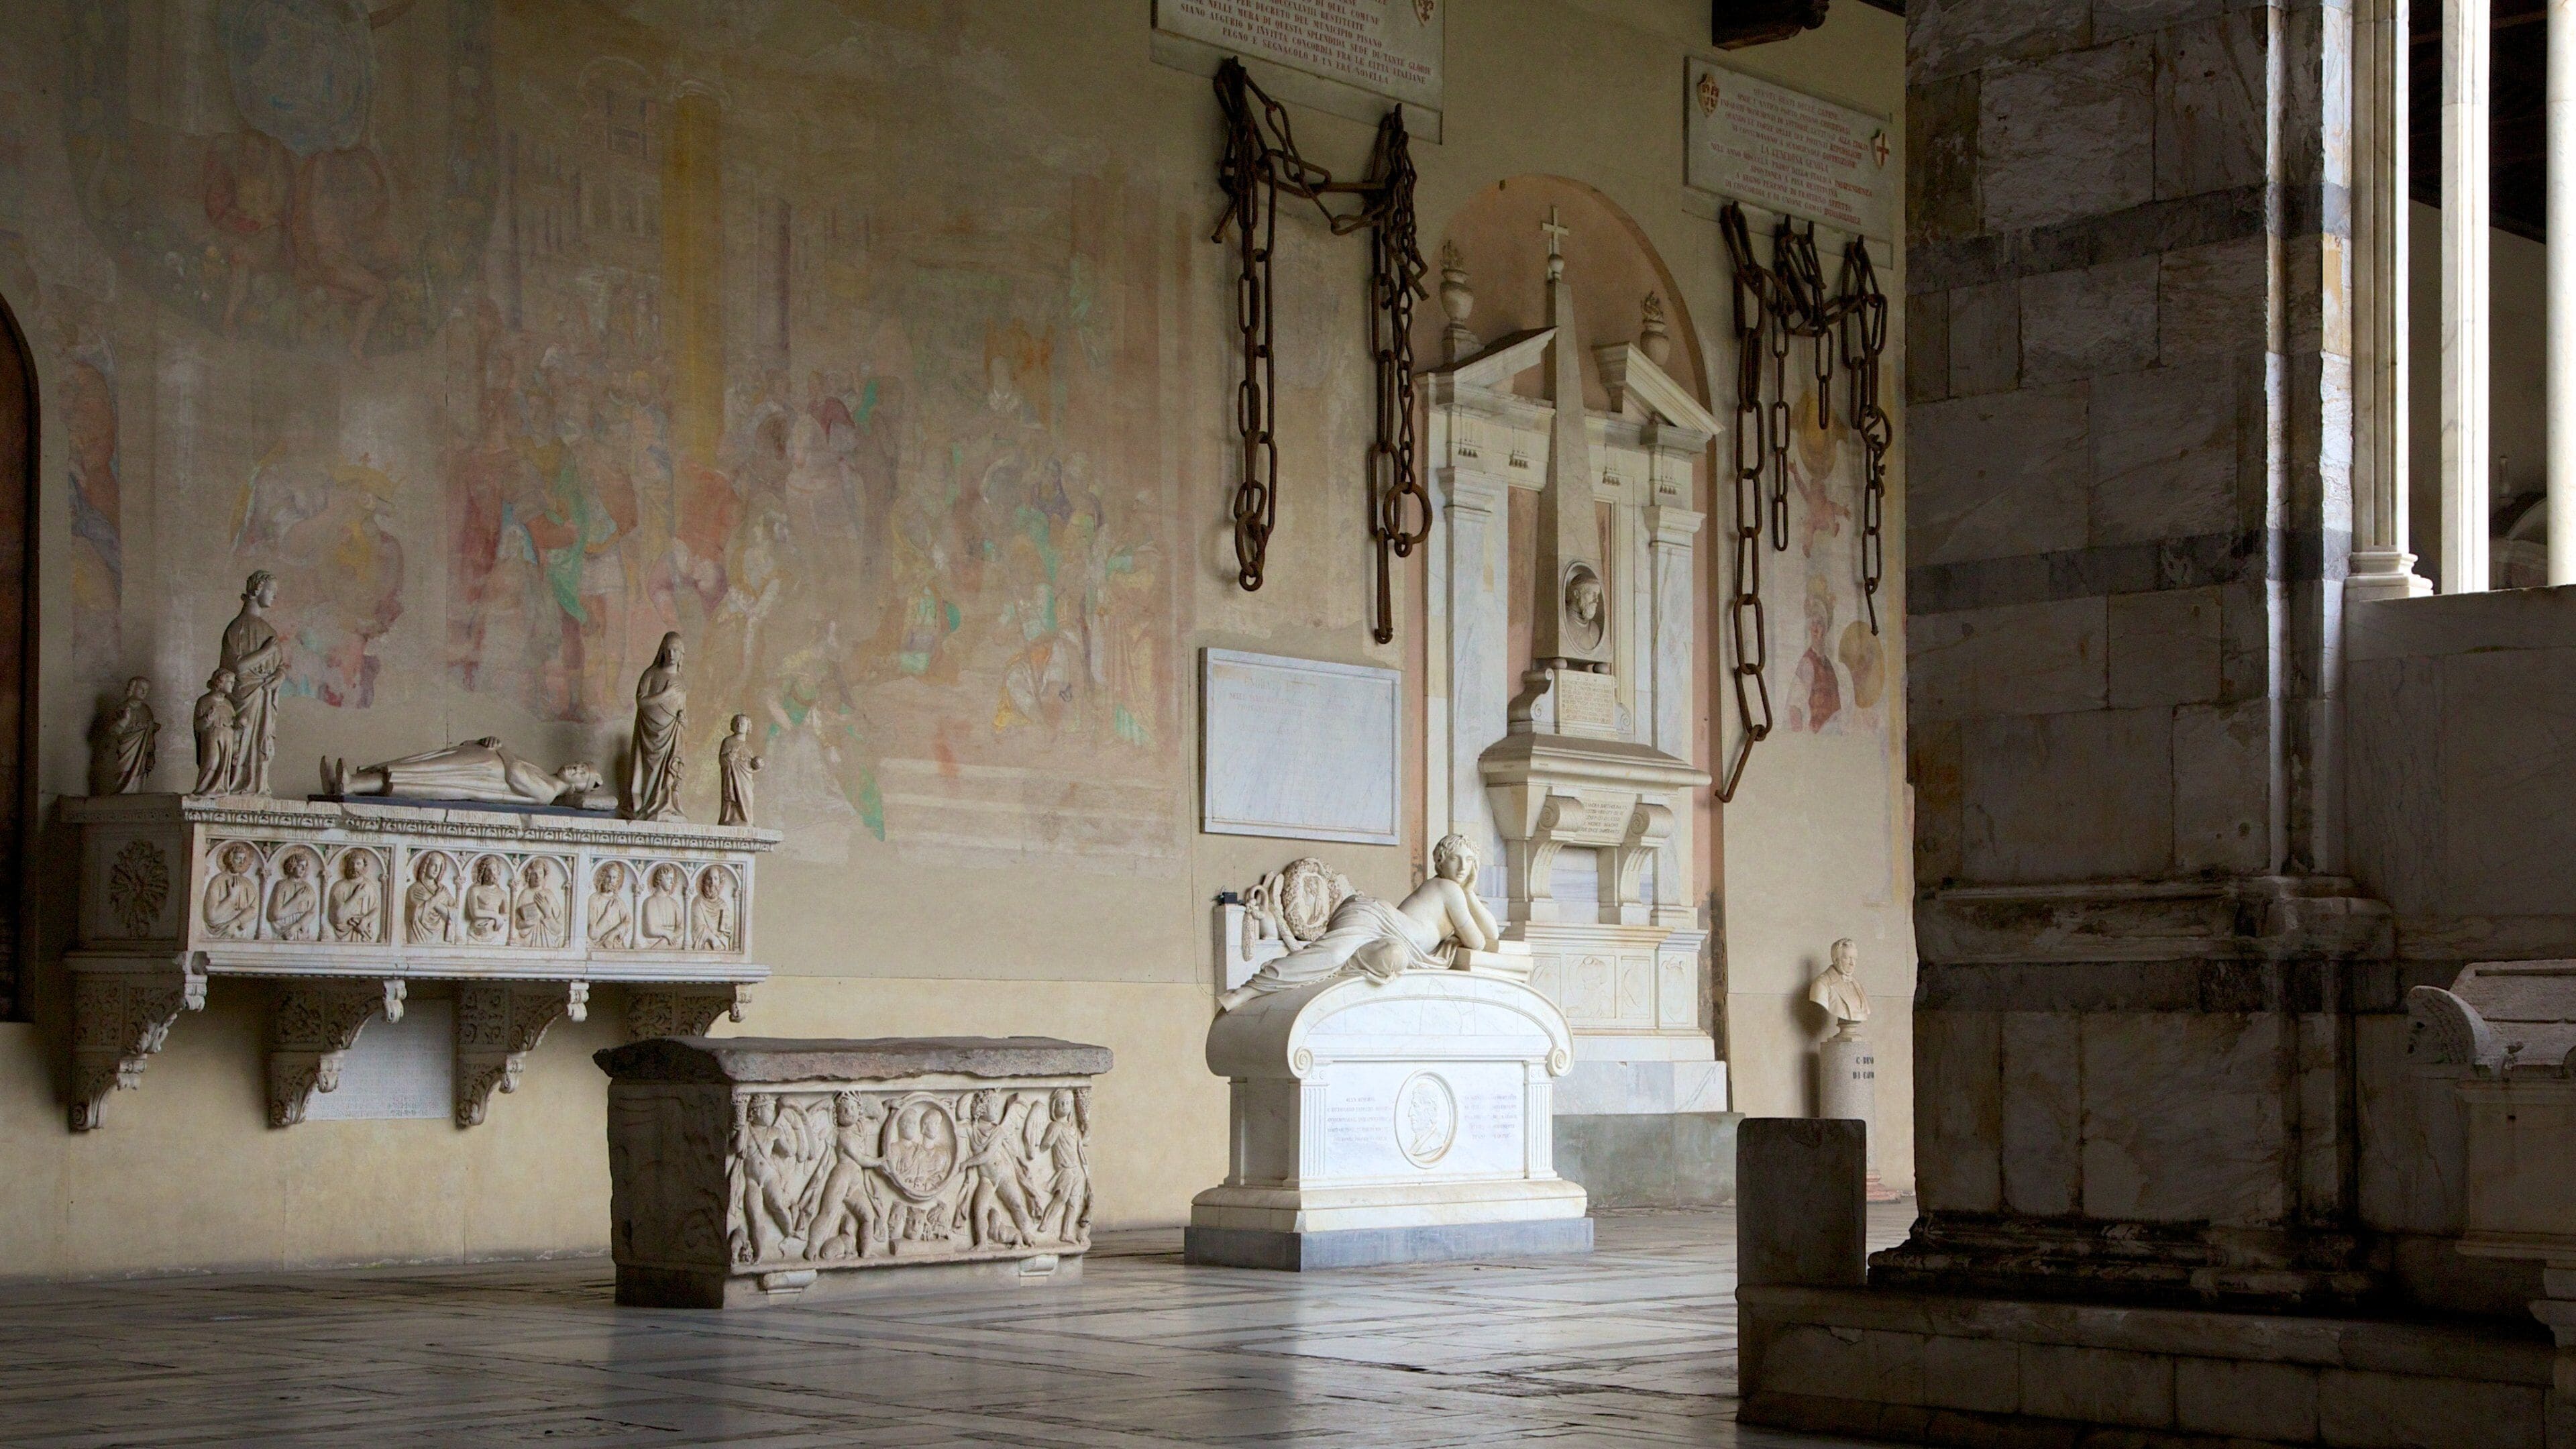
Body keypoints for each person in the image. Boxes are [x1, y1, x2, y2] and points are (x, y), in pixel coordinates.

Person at [1218, 834, 1502, 1011]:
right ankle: (1248, 990)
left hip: (1390, 940)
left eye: (1470, 861)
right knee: (1331, 955)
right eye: (1455, 859)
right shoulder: (1447, 889)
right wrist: (1464, 891)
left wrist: (1470, 892)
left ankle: (1343, 969)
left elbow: (1492, 936)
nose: (1463, 867)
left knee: (1393, 958)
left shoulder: (1459, 894)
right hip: (1374, 918)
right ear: (1440, 864)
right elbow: (1477, 942)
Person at [325, 739, 603, 807]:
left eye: (580, 773)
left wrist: (503, 748)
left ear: (578, 788)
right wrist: (490, 743)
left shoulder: (548, 791)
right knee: (419, 763)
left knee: (419, 776)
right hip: (480, 762)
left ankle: (352, 786)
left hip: (478, 775)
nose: (575, 768)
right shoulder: (544, 773)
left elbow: (515, 776)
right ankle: (355, 779)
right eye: (579, 765)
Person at [219, 572, 286, 794]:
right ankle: (237, 785)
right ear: (257, 589)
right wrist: (265, 651)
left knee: (262, 742)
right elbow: (237, 666)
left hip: (265, 697)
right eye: (271, 591)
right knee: (241, 738)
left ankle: (257, 785)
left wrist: (280, 676)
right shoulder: (237, 628)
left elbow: (280, 665)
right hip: (245, 695)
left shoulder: (269, 630)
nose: (274, 596)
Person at [625, 632, 687, 820]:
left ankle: (666, 805)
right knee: (650, 768)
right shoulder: (651, 674)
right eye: (667, 650)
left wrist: (685, 721)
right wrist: (665, 694)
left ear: (682, 654)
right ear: (662, 651)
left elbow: (683, 709)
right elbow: (641, 701)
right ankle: (647, 805)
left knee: (670, 769)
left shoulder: (681, 680)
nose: (671, 654)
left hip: (673, 732)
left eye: (675, 650)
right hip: (650, 732)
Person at [97, 677, 158, 794]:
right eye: (141, 689)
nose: (144, 692)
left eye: (147, 690)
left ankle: (136, 792)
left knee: (139, 774)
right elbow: (112, 732)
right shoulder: (121, 708)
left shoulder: (146, 710)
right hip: (126, 749)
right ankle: (123, 791)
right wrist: (125, 720)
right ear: (132, 689)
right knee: (124, 771)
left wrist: (151, 729)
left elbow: (150, 732)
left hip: (142, 750)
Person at [192, 669, 239, 795]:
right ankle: (203, 788)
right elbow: (198, 727)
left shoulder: (228, 704)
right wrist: (208, 718)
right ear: (220, 682)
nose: (233, 685)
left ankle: (221, 788)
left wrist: (239, 725)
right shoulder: (204, 701)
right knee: (212, 761)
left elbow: (233, 725)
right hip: (212, 737)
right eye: (230, 682)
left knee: (224, 765)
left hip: (227, 738)